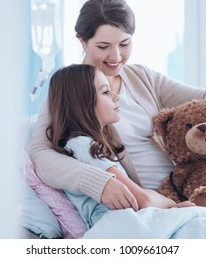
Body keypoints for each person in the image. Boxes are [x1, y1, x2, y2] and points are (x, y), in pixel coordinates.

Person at [28, 0, 206, 210]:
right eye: (103, 46)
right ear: (82, 41)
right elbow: (40, 153)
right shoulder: (70, 89)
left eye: (124, 44)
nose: (116, 56)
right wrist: (99, 183)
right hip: (163, 200)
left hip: (195, 180)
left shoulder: (141, 76)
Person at [45, 64, 194, 227]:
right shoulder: (83, 145)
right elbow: (141, 199)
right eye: (105, 92)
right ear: (82, 103)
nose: (116, 96)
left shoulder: (94, 143)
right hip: (118, 224)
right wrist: (173, 206)